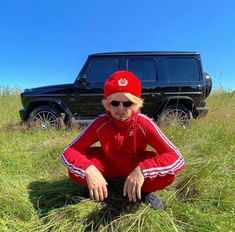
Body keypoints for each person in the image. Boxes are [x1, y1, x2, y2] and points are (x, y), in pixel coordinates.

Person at [61, 70, 185, 210]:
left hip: (134, 163)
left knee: (167, 175)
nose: (121, 109)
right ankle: (100, 184)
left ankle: (143, 192)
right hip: (107, 164)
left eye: (127, 103)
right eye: (115, 103)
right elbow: (69, 151)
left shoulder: (144, 123)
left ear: (136, 104)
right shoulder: (100, 123)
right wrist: (89, 170)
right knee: (75, 170)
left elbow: (177, 157)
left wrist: (143, 170)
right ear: (107, 104)